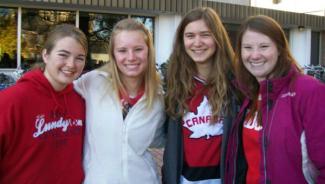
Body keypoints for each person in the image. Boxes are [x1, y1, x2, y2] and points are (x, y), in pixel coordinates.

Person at [224, 15, 325, 184]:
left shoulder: (309, 91)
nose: (255, 55)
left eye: (264, 46)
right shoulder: (248, 94)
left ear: (279, 49)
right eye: (247, 47)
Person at [74, 18, 165, 184]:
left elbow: (161, 138)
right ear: (113, 54)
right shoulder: (91, 83)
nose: (131, 57)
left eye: (138, 49)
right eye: (122, 50)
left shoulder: (158, 98)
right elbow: (55, 93)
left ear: (149, 52)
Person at [0, 24, 87, 183]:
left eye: (79, 58)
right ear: (46, 55)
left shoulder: (81, 100)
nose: (71, 64)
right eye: (63, 55)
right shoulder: (11, 101)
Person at [162, 7, 238, 184]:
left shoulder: (236, 82)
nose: (197, 42)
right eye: (190, 36)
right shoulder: (176, 83)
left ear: (217, 38)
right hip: (186, 179)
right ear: (182, 41)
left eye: (205, 34)